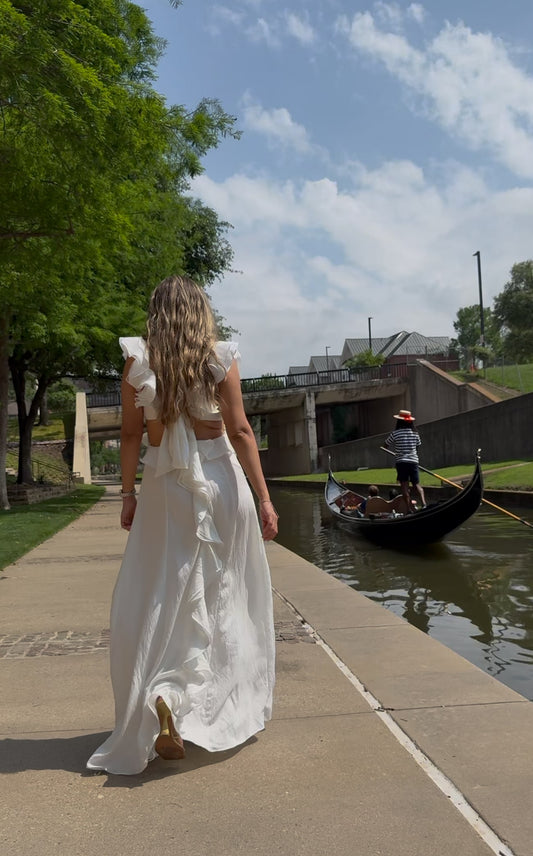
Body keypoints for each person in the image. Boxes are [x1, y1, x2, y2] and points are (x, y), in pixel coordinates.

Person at [87, 275, 278, 775]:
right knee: (223, 593)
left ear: (156, 313)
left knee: (163, 593)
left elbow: (131, 435)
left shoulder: (138, 361)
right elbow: (239, 429)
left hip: (164, 486)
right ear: (201, 310)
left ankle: (166, 694)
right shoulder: (218, 356)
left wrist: (127, 495)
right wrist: (263, 497)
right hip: (219, 479)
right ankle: (205, 708)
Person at [385, 409, 426, 513]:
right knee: (416, 484)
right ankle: (424, 504)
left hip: (401, 462)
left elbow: (385, 445)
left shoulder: (395, 433)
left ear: (399, 421)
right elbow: (417, 447)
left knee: (404, 486)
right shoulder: (415, 433)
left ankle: (408, 510)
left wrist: (396, 452)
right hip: (413, 461)